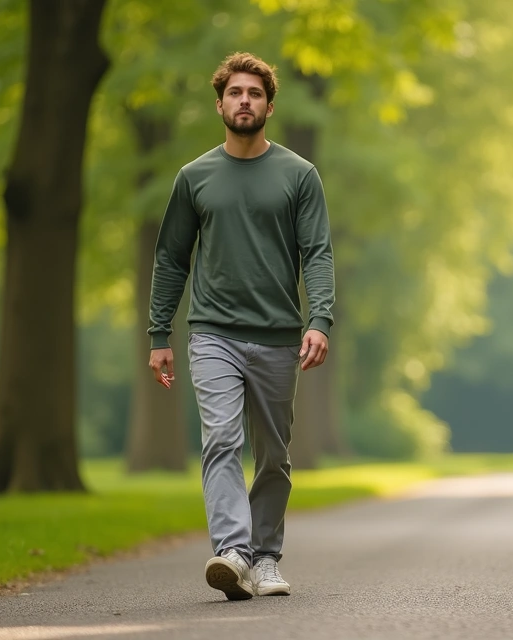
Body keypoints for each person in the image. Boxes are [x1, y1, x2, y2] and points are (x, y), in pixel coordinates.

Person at [146, 52, 335, 601]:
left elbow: (318, 253)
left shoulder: (298, 175)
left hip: (278, 335)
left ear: (269, 106)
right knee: (222, 438)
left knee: (273, 455)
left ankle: (266, 557)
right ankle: (232, 551)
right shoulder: (194, 177)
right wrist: (160, 334)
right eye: (235, 93)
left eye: (254, 93)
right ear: (220, 103)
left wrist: (319, 319)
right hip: (212, 333)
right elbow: (171, 257)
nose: (244, 101)